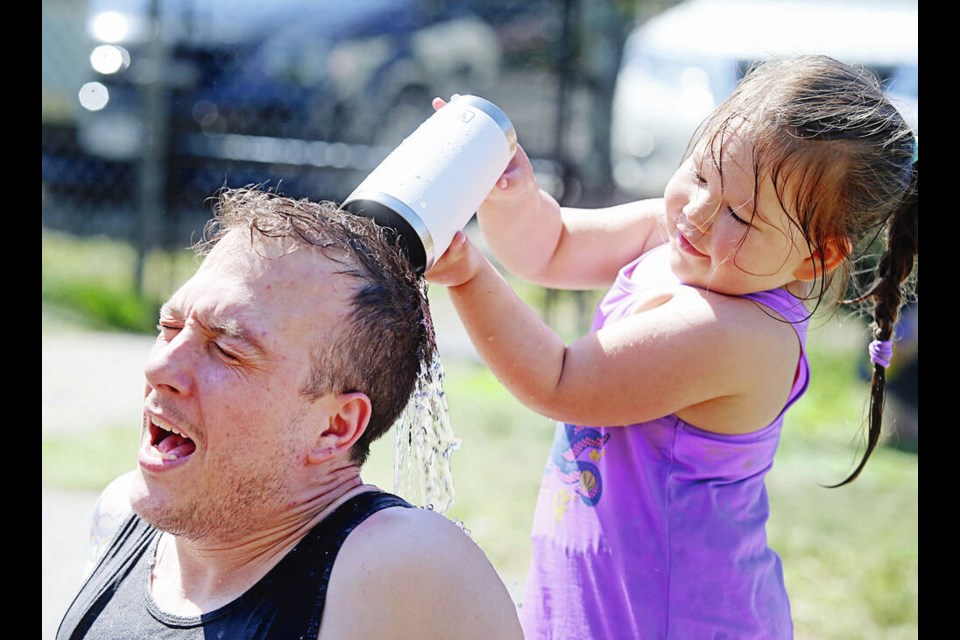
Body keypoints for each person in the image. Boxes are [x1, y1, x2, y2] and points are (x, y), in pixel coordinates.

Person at [426, 55, 918, 638]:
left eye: (742, 214)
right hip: (608, 601)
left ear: (817, 257)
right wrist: (509, 195)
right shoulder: (674, 236)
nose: (700, 212)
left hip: (677, 617)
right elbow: (550, 246)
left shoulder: (739, 334)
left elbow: (561, 381)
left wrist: (466, 276)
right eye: (703, 173)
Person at [57, 188, 524, 640]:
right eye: (170, 327)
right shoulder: (122, 518)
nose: (160, 367)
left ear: (334, 427)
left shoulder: (398, 566)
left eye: (227, 351)